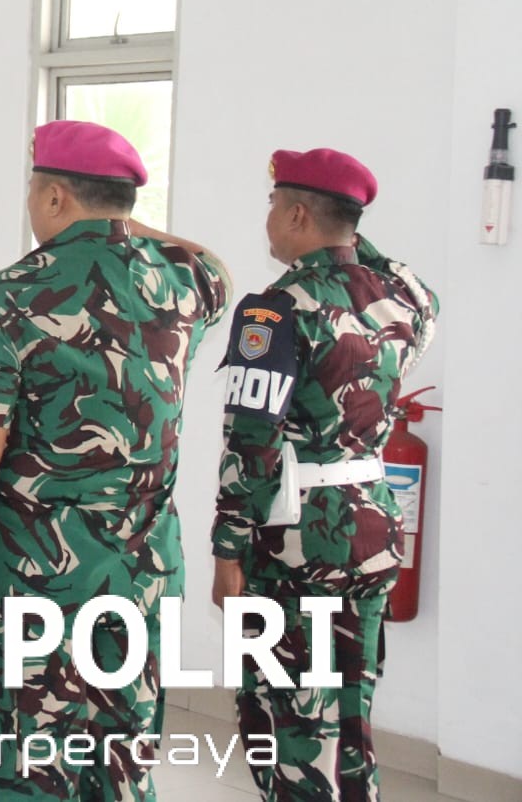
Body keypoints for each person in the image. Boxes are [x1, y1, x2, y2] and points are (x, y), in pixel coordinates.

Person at [0, 120, 230, 801]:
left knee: (24, 766)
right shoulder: (184, 285)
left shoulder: (12, 294)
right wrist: (119, 224)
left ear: (55, 196)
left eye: (35, 190)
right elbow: (217, 264)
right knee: (120, 766)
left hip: (33, 584)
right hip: (140, 580)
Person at [211, 148, 437, 802]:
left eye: (274, 205)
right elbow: (391, 270)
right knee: (352, 713)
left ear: (298, 214)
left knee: (288, 721)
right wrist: (349, 239)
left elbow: (250, 444)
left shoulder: (274, 310)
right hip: (373, 529)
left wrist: (227, 551)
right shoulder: (406, 299)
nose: (268, 219)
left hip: (296, 543)